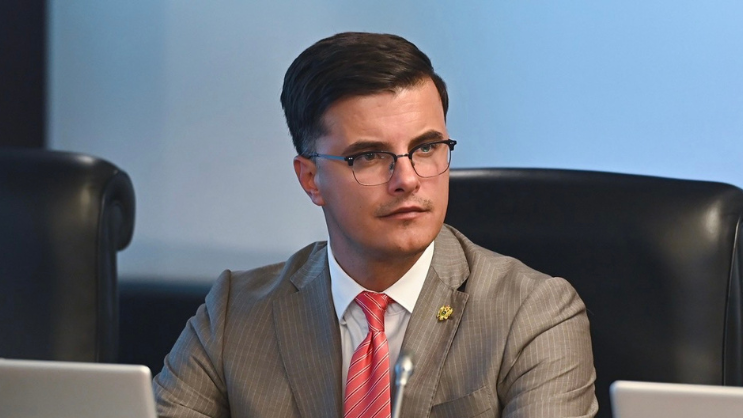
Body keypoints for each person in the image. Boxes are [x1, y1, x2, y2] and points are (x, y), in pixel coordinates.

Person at [153, 32, 598, 418]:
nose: (407, 179)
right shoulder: (235, 314)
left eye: (426, 148)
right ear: (311, 179)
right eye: (369, 156)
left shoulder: (534, 313)